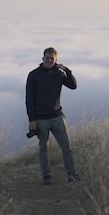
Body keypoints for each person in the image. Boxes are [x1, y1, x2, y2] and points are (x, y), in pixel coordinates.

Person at [26, 47, 80, 185]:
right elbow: (29, 99)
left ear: (56, 60)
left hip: (57, 116)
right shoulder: (34, 75)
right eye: (47, 57)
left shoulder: (59, 74)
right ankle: (47, 176)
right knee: (44, 147)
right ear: (42, 58)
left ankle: (71, 174)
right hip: (40, 118)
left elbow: (73, 86)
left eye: (52, 58)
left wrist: (66, 69)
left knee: (66, 146)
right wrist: (31, 119)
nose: (49, 60)